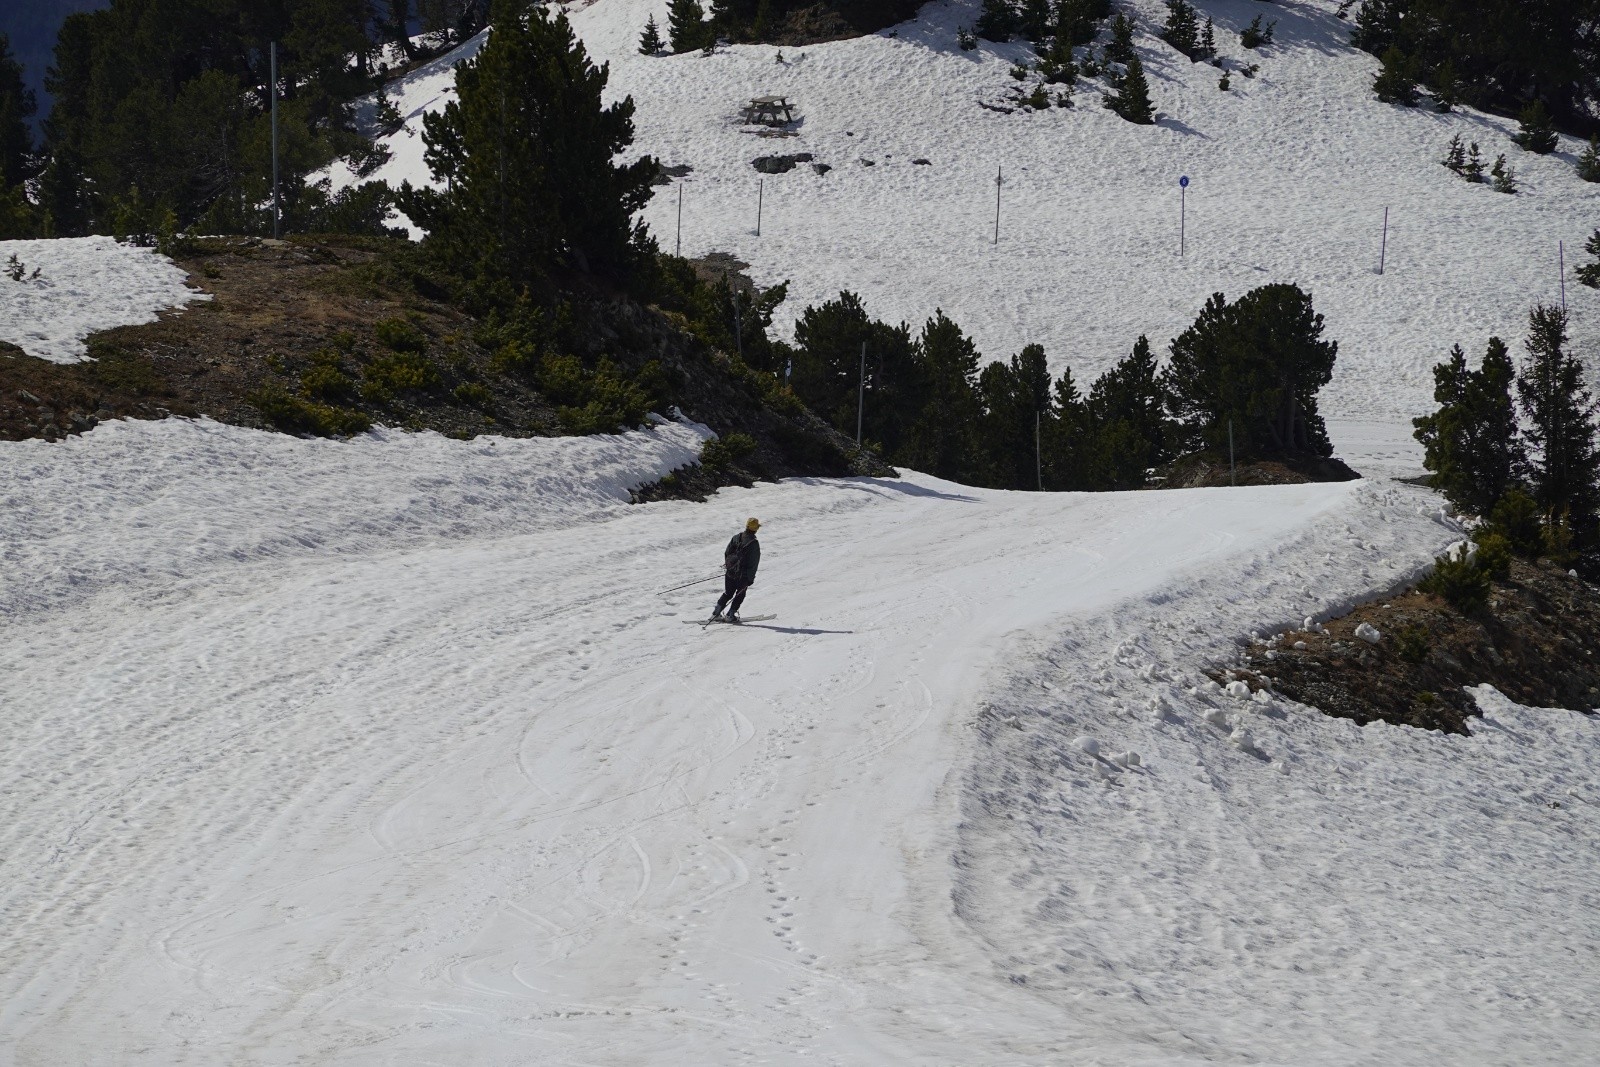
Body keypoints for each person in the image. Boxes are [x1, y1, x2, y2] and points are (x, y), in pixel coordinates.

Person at [713, 518, 761, 622]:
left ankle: (716, 613)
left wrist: (730, 567)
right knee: (740, 594)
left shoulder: (736, 538)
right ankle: (731, 615)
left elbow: (727, 553)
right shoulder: (754, 544)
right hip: (743, 576)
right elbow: (753, 564)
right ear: (756, 529)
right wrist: (750, 579)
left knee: (728, 593)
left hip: (730, 573)